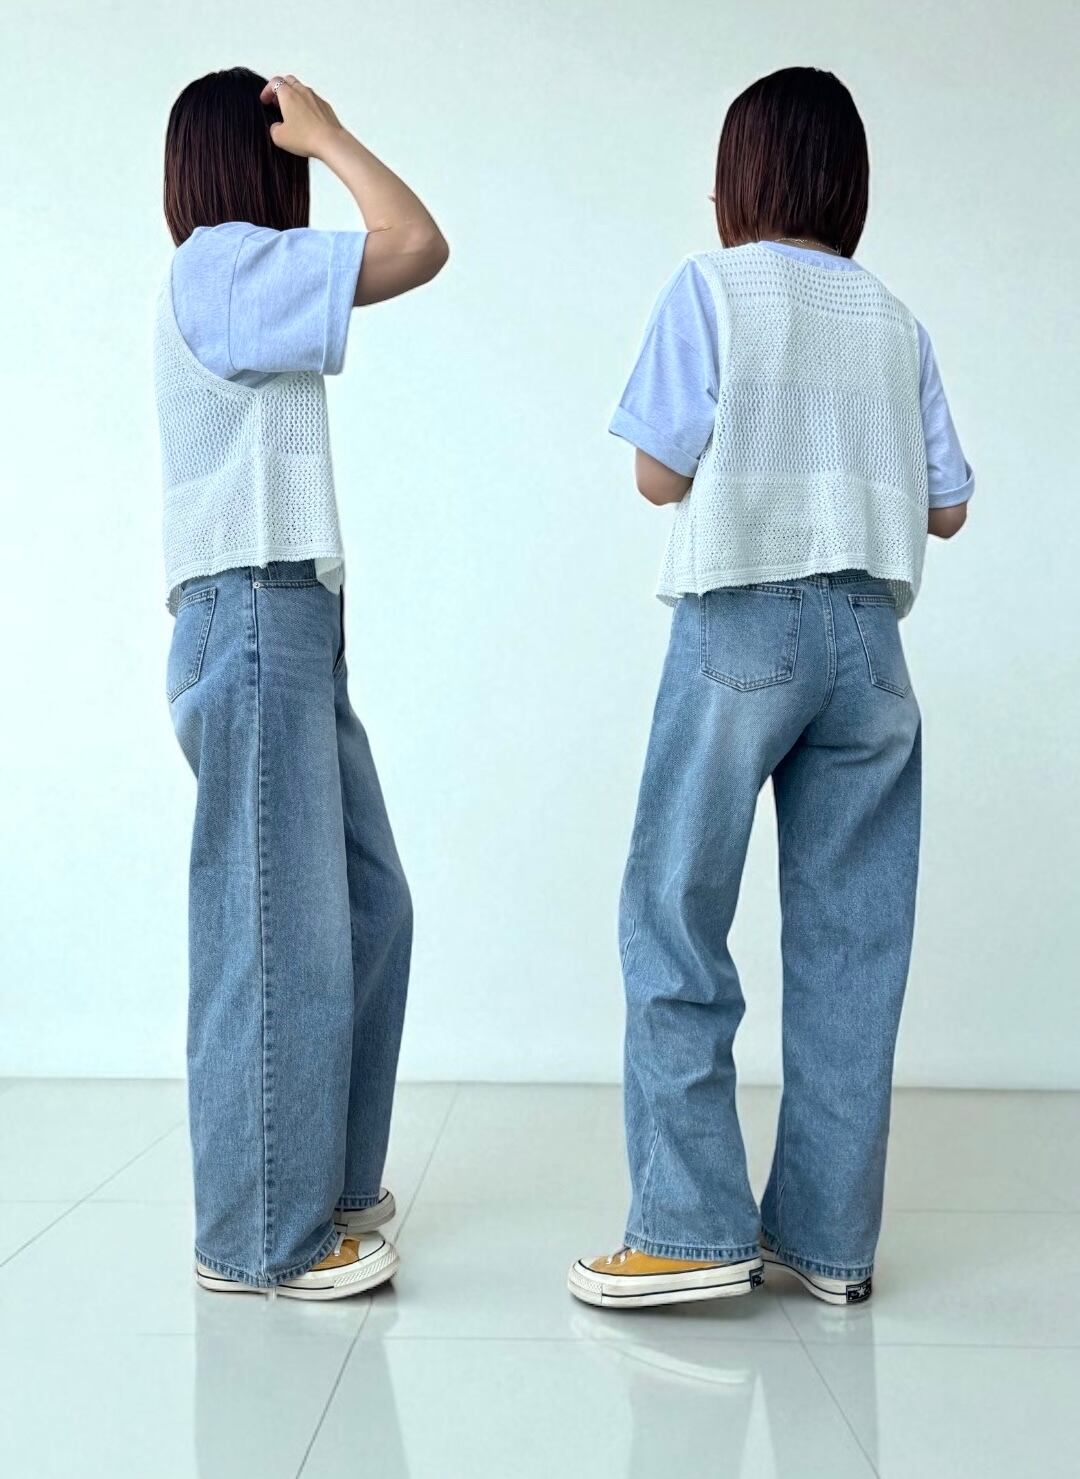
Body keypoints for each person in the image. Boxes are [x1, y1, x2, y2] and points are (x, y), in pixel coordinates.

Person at [568, 67, 972, 1310]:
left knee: (675, 913)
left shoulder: (712, 286)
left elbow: (658, 471)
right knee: (855, 943)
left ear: (736, 181)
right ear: (851, 187)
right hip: (871, 643)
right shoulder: (896, 321)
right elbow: (949, 508)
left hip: (743, 616)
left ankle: (691, 1231)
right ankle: (826, 1244)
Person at [157, 68, 448, 1299]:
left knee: (370, 909)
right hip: (254, 616)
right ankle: (258, 1238)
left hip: (285, 623)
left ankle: (315, 1179)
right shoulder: (228, 265)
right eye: (285, 148)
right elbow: (416, 242)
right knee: (274, 935)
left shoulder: (240, 283)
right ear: (259, 158)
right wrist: (331, 136)